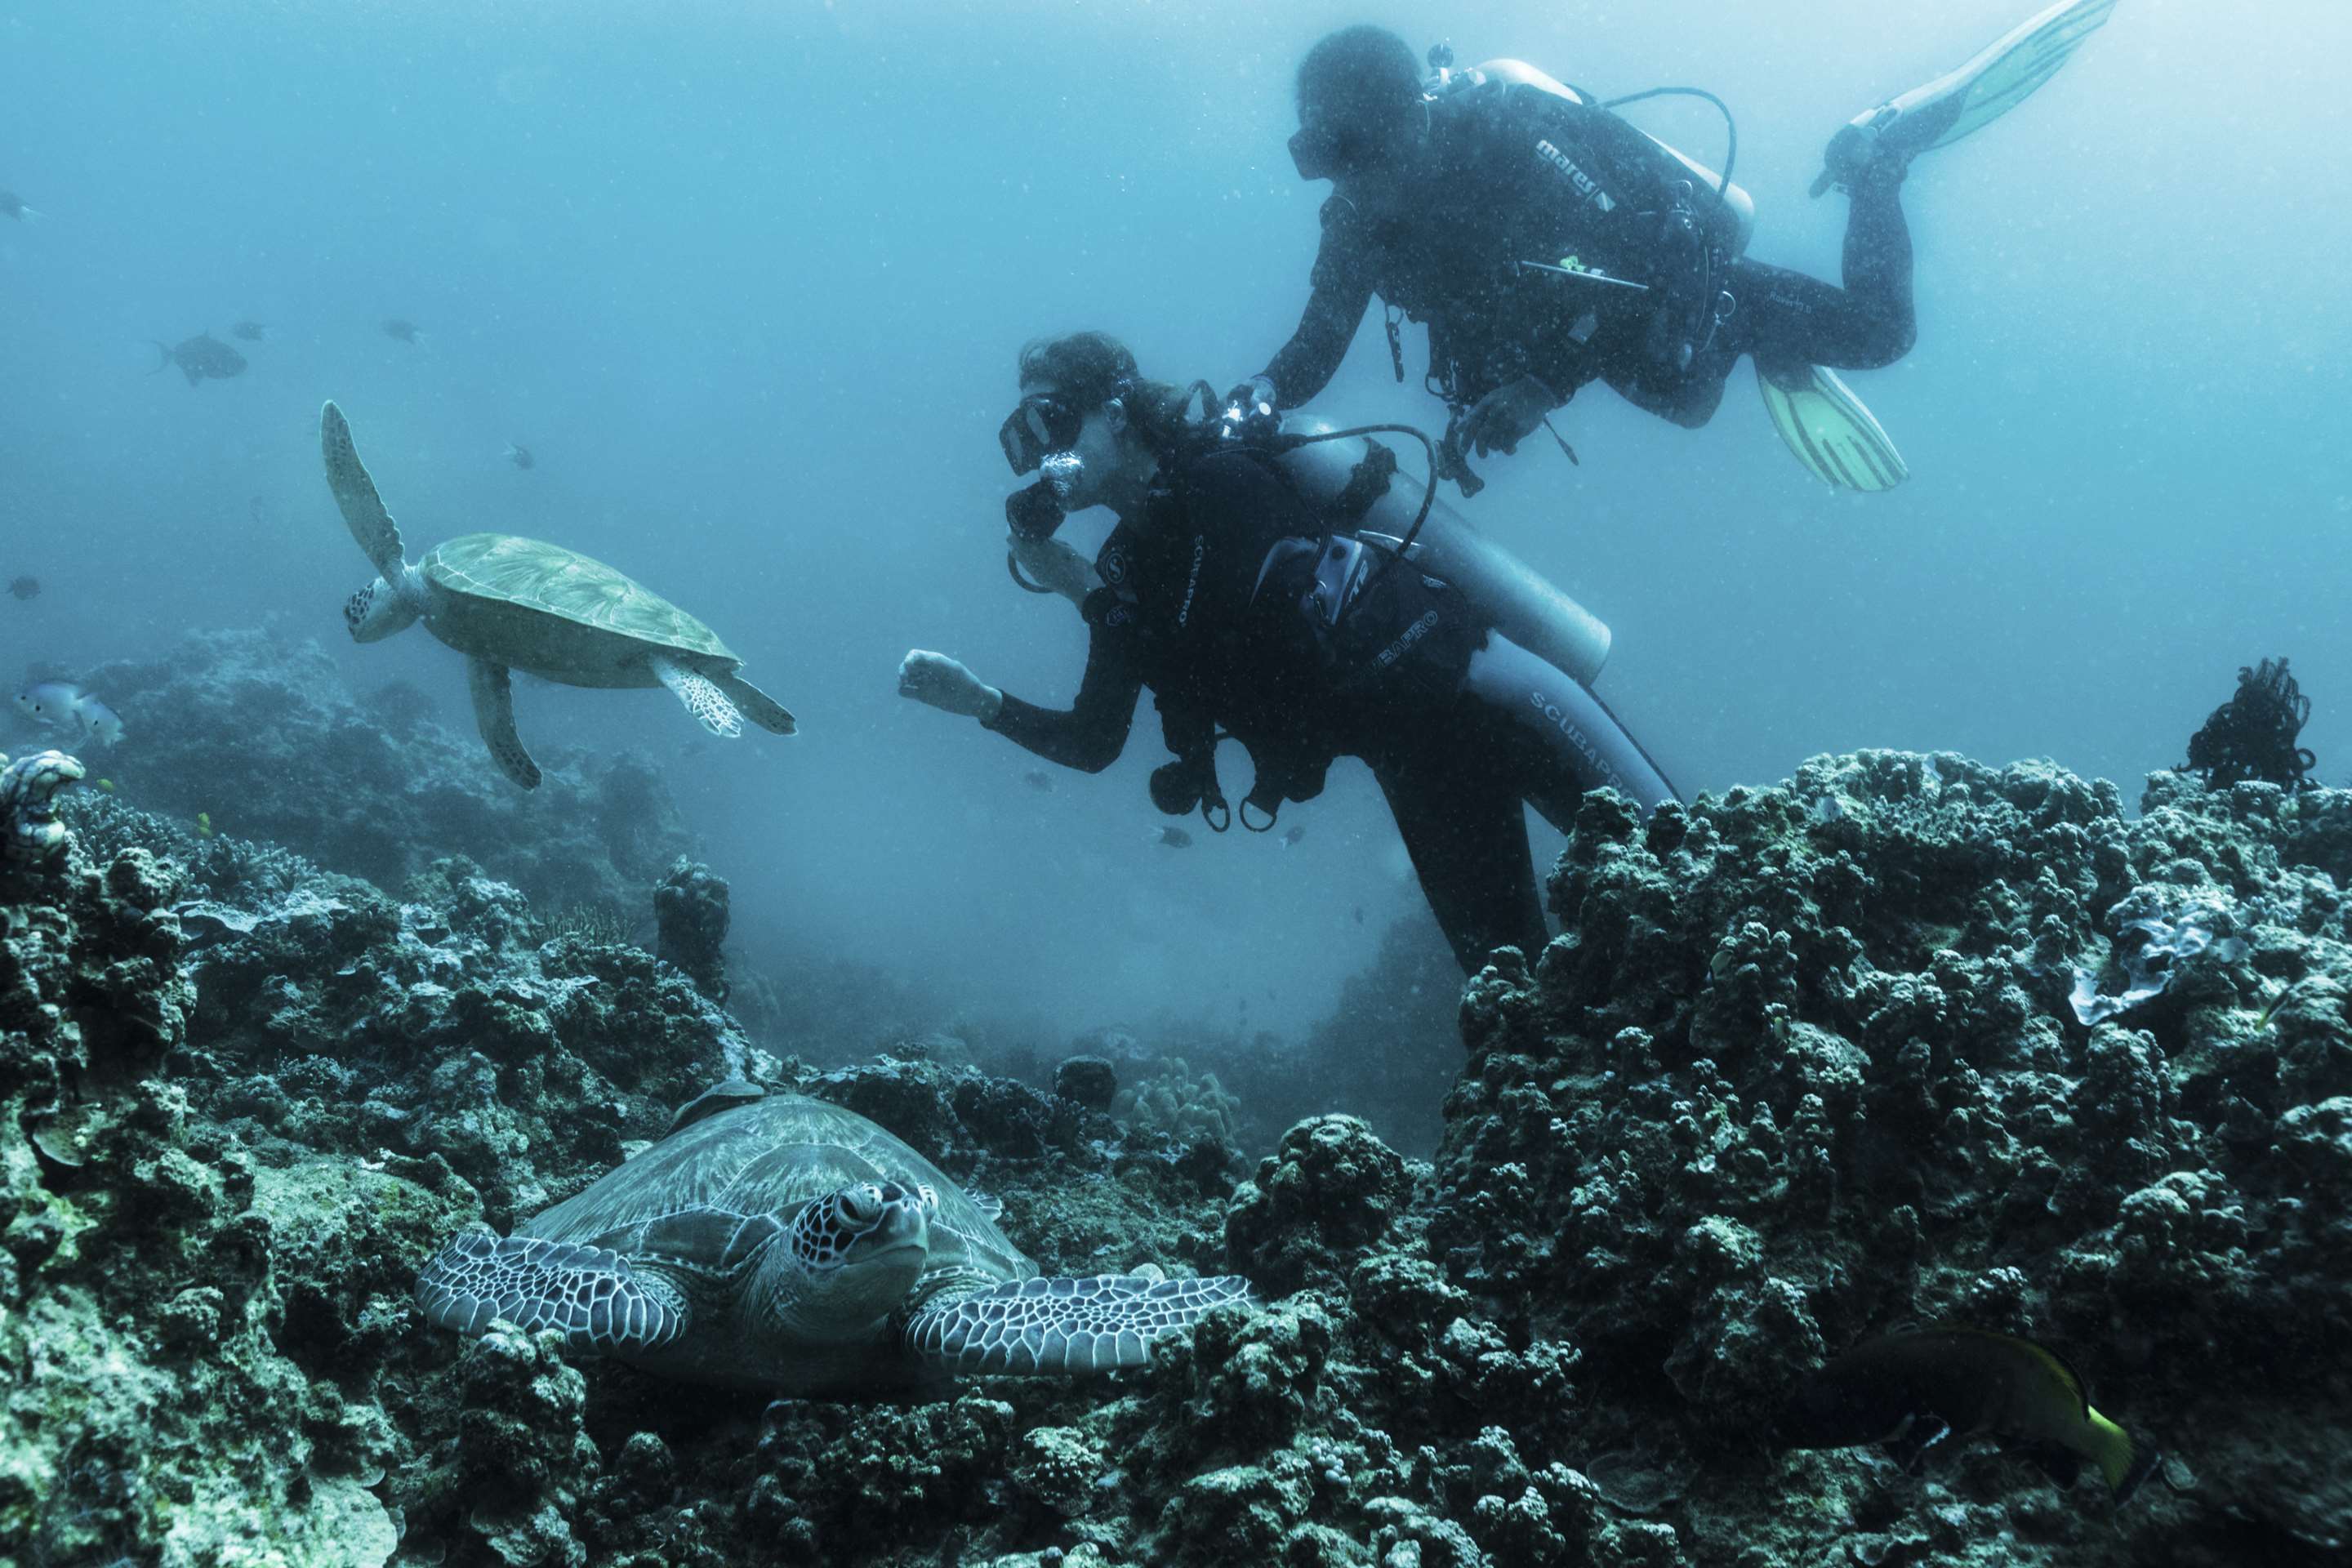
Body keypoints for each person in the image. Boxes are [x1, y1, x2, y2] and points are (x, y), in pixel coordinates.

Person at [898, 331, 1675, 973]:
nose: (1046, 455)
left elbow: (1233, 631)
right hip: (1418, 770)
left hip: (1496, 693)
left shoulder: (1220, 478)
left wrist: (1085, 595)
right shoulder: (1125, 573)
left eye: (1056, 422)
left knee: (1694, 885)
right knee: (1518, 1005)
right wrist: (984, 705)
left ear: (1116, 412)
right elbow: (1096, 740)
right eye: (1028, 440)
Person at [1232, 1, 2118, 492]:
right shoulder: (1357, 221)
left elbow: (1654, 254)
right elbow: (1320, 337)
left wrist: (1543, 384)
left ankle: (1878, 157)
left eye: (1357, 152)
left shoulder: (1513, 144)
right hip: (1587, 337)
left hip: (1680, 285)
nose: (1343, 180)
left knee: (1883, 334)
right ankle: (1760, 349)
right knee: (1686, 400)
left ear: (1411, 121)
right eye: (1321, 158)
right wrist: (1259, 397)